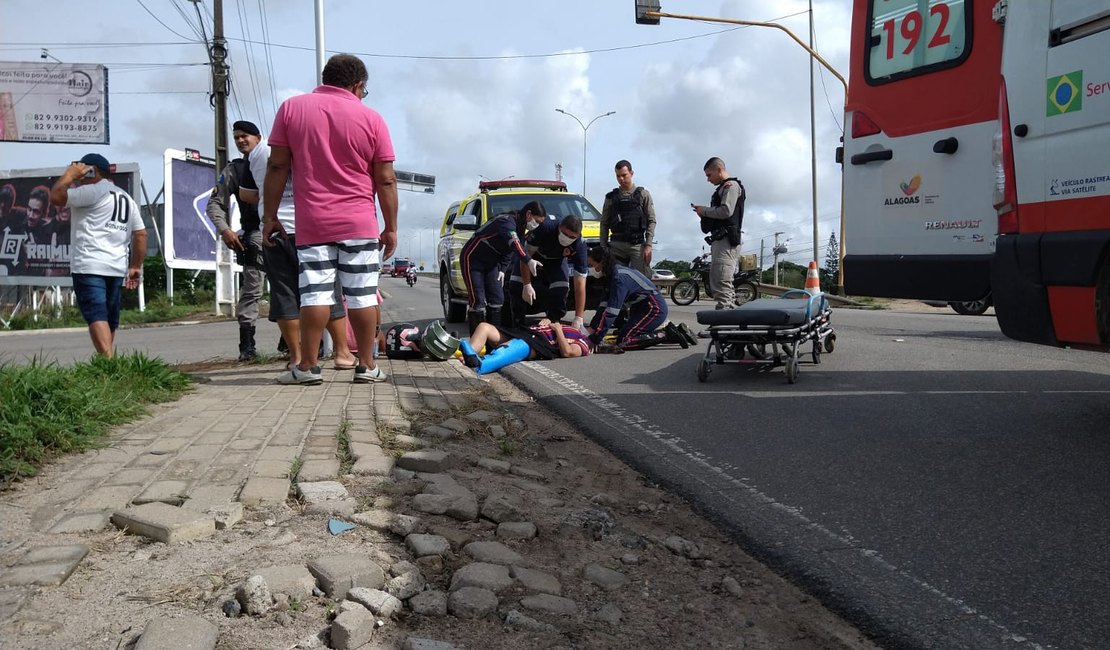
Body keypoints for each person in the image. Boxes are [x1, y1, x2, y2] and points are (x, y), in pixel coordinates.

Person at [262, 53, 398, 385]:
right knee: (362, 295)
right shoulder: (372, 119)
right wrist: (391, 227)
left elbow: (277, 166)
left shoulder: (291, 109)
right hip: (359, 223)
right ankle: (366, 366)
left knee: (315, 294)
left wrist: (269, 216)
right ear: (358, 85)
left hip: (313, 223)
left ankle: (307, 367)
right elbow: (385, 180)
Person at [246, 127, 357, 382]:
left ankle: (297, 358)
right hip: (312, 228)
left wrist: (268, 209)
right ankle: (342, 353)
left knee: (284, 292)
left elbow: (247, 192)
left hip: (276, 229)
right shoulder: (313, 148)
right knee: (326, 290)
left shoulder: (258, 153)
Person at [48, 153, 146, 357]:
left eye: (84, 170)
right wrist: (135, 266)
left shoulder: (91, 191)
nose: (81, 175)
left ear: (92, 171)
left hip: (89, 264)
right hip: (116, 266)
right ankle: (107, 361)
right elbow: (141, 234)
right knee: (108, 317)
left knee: (96, 314)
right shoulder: (126, 197)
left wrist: (69, 175)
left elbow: (56, 196)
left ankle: (109, 363)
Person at [206, 120, 265, 361]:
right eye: (236, 137)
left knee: (291, 289)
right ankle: (247, 347)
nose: (241, 140)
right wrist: (225, 230)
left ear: (258, 137)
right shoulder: (236, 169)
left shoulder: (277, 160)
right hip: (255, 235)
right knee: (252, 290)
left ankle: (291, 344)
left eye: (245, 136)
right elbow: (215, 203)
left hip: (286, 233)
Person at [585, 247, 695, 352]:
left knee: (623, 341)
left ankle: (667, 334)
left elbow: (611, 312)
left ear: (602, 262)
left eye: (591, 265)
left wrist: (594, 340)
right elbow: (603, 307)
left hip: (654, 309)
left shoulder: (619, 279)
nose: (590, 269)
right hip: (642, 309)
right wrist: (592, 328)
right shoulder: (610, 277)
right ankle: (679, 332)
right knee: (622, 333)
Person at [459, 203, 543, 334]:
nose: (537, 225)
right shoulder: (506, 221)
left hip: (493, 264)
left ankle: (493, 339)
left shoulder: (521, 229)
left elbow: (509, 251)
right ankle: (477, 341)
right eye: (537, 221)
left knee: (497, 299)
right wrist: (528, 260)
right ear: (528, 214)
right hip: (473, 259)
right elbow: (514, 243)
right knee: (478, 301)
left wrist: (503, 269)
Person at [510, 214, 588, 330]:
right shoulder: (546, 227)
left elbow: (580, 285)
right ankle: (517, 323)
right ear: (559, 227)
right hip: (533, 256)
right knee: (517, 282)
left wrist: (579, 317)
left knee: (561, 286)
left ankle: (553, 321)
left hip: (556, 260)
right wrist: (527, 284)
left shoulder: (579, 245)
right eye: (564, 234)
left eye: (572, 237)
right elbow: (525, 256)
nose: (567, 238)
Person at [692, 157, 746, 310]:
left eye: (709, 175)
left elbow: (726, 211)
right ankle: (726, 316)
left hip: (727, 240)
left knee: (722, 281)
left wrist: (704, 211)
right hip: (720, 240)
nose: (708, 180)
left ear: (719, 170)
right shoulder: (722, 188)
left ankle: (725, 318)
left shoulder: (731, 186)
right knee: (718, 281)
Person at [459, 317, 591, 374]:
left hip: (537, 343)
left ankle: (480, 365)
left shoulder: (584, 343)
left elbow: (568, 352)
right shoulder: (576, 331)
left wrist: (558, 330)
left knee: (512, 346)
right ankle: (469, 355)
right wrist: (546, 323)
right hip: (527, 332)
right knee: (484, 327)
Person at [600, 160, 656, 276]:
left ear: (631, 173)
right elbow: (604, 223)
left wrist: (648, 245)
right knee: (615, 279)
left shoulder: (643, 195)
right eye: (618, 176)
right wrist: (603, 247)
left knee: (642, 279)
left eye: (624, 175)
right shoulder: (611, 197)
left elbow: (651, 220)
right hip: (616, 245)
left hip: (637, 245)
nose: (621, 179)